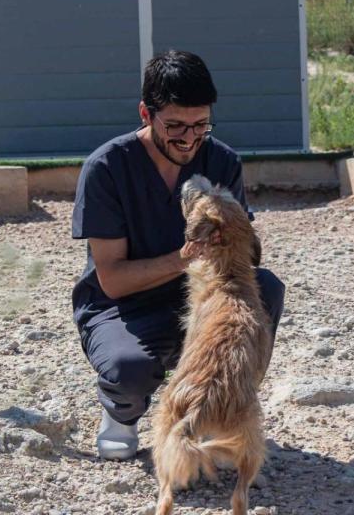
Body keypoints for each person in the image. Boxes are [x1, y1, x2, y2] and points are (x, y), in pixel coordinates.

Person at [71, 50, 286, 460]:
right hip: (124, 306)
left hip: (198, 297)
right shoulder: (107, 167)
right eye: (175, 126)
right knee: (128, 367)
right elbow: (112, 280)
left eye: (200, 125)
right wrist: (185, 258)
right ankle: (121, 413)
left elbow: (240, 253)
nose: (189, 138)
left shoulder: (222, 160)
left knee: (266, 288)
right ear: (145, 114)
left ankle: (222, 408)